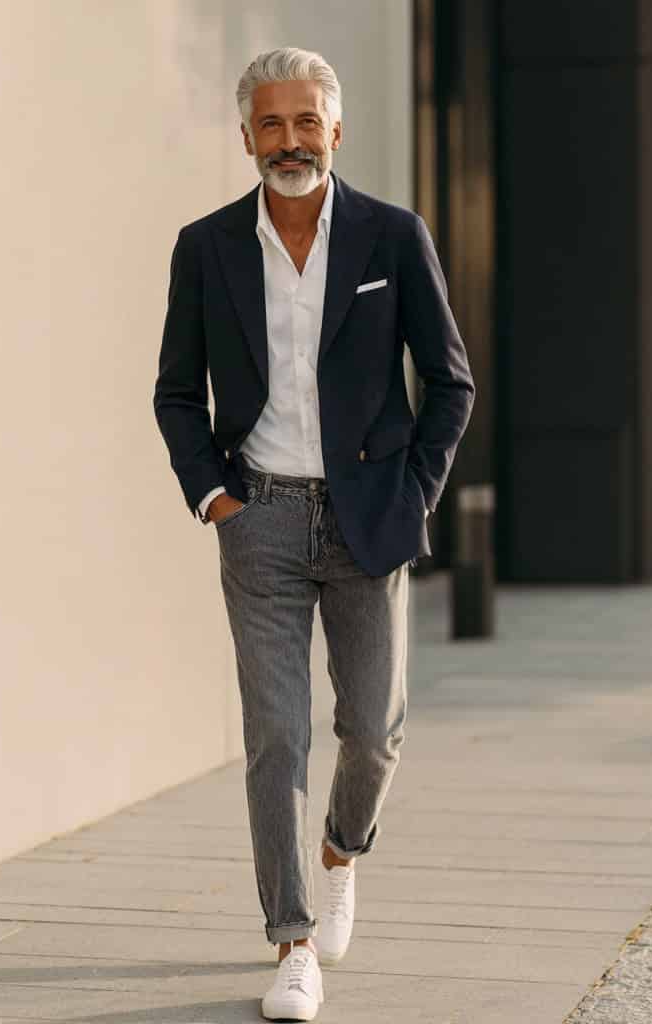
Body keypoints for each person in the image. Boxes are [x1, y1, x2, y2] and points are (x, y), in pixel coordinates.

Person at [153, 46, 474, 1022]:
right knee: (276, 736)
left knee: (371, 734)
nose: (289, 140)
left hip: (370, 516)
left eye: (306, 122)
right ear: (246, 136)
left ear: (335, 130)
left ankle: (341, 851)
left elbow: (449, 381)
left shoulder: (391, 236)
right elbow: (176, 391)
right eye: (270, 123)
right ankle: (290, 942)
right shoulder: (205, 246)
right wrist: (213, 496)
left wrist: (414, 492)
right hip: (260, 513)